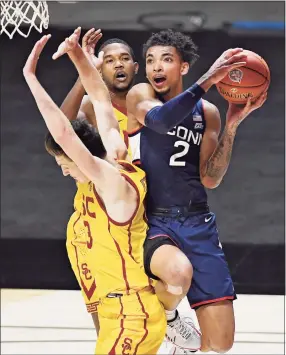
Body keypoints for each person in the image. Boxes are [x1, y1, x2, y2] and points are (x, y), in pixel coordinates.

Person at [23, 28, 166, 354]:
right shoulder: (116, 151)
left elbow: (64, 133)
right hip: (122, 307)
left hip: (133, 314)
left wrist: (31, 77)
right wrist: (79, 58)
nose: (64, 169)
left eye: (66, 162)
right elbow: (100, 99)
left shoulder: (110, 182)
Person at [126, 29, 268, 353]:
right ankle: (172, 320)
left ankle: (180, 347)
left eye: (166, 59)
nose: (156, 68)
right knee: (178, 273)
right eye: (150, 61)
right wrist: (208, 79)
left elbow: (211, 178)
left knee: (221, 343)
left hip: (198, 221)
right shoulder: (141, 94)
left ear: (184, 67)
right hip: (155, 222)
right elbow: (161, 121)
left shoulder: (207, 113)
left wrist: (231, 126)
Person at [60, 28, 139, 157]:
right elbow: (60, 130)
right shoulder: (90, 105)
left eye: (124, 58)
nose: (118, 64)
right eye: (109, 60)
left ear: (135, 67)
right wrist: (86, 70)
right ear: (99, 71)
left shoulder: (148, 100)